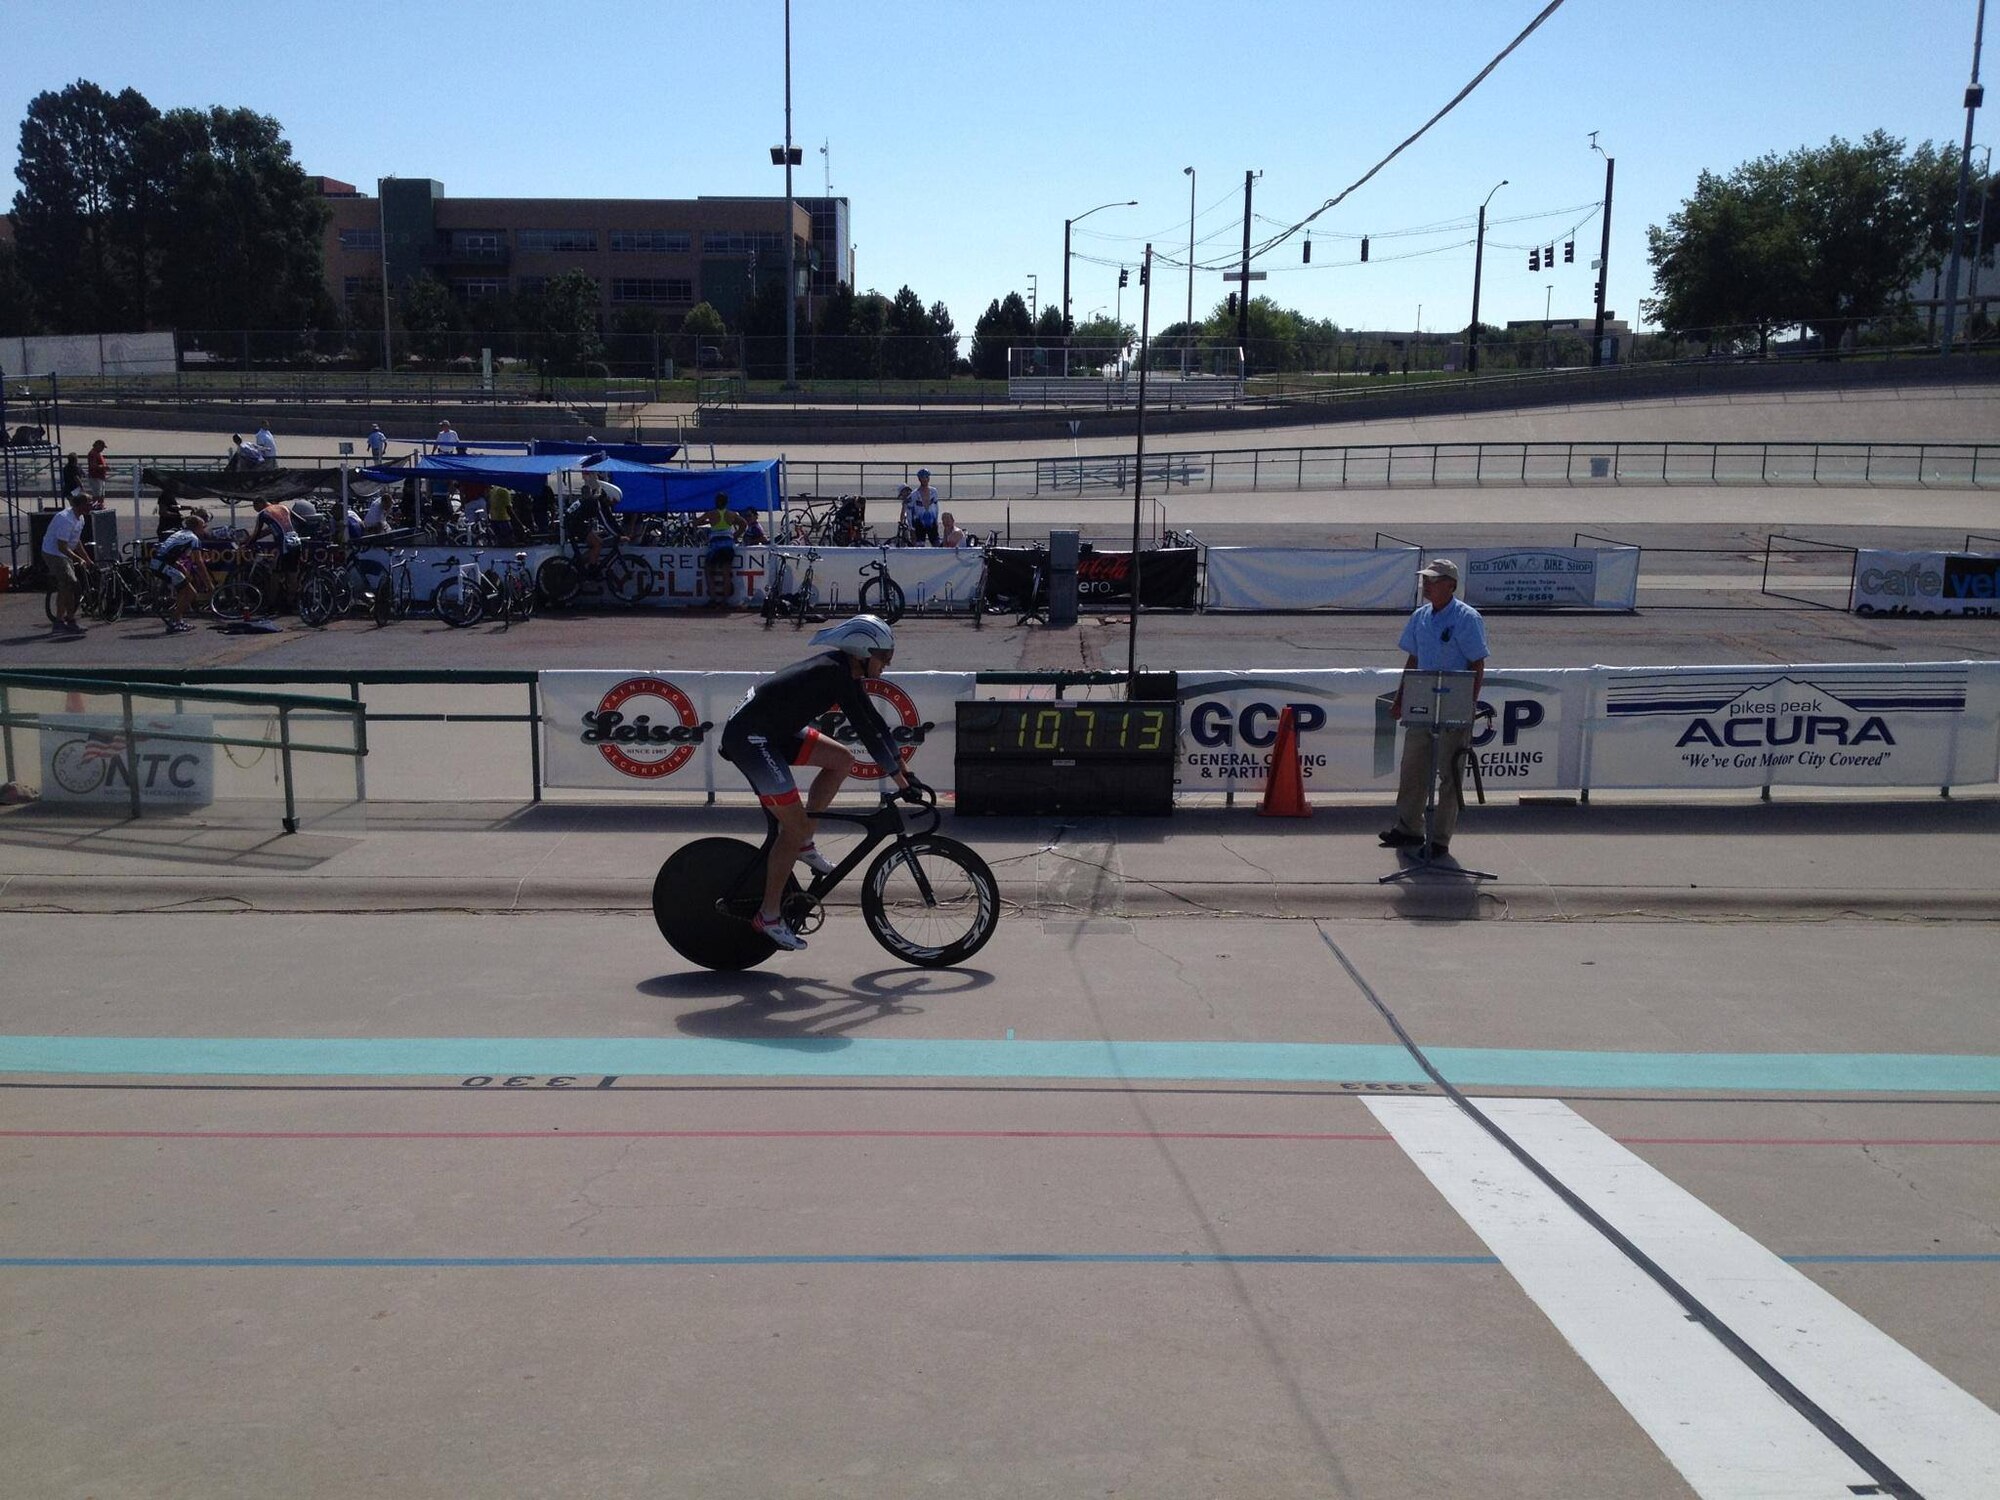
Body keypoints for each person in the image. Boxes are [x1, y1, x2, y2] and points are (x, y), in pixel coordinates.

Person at [718, 615, 919, 951]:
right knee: (792, 828)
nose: (887, 665)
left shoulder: (845, 671)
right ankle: (767, 916)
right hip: (750, 739)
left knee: (841, 760)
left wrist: (903, 771)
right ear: (861, 652)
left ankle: (804, 843)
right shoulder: (833, 672)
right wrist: (900, 781)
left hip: (771, 731)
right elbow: (867, 733)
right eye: (884, 657)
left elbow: (876, 723)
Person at [1379, 557, 1488, 859]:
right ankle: (1409, 827)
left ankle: (1440, 838)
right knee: (1412, 768)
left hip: (1453, 704)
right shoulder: (1420, 616)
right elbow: (1413, 660)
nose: (1427, 584)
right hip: (1421, 702)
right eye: (1426, 579)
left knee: (1449, 775)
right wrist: (1401, 698)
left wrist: (1469, 705)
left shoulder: (1467, 618)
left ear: (1450, 585)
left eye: (1433, 580)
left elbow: (1477, 663)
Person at [149, 509, 214, 633]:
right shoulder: (193, 538)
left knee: (183, 591)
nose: (204, 530)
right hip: (163, 566)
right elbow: (199, 563)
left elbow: (170, 551)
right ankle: (173, 622)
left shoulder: (180, 533)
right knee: (191, 593)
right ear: (196, 528)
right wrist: (209, 584)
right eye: (202, 527)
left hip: (158, 563)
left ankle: (178, 621)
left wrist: (180, 565)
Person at [42, 490, 94, 635]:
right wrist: (78, 559)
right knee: (70, 583)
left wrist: (88, 559)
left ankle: (64, 620)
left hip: (65, 552)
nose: (91, 506)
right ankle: (64, 622)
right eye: (89, 504)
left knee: (69, 586)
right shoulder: (66, 519)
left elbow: (76, 542)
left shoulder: (80, 518)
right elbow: (61, 547)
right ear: (81, 505)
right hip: (54, 553)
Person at [563, 469, 621, 572]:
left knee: (598, 542)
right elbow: (605, 522)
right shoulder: (597, 503)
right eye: (614, 502)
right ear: (609, 497)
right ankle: (591, 569)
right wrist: (618, 536)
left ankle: (580, 563)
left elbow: (610, 519)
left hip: (573, 521)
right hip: (574, 523)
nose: (613, 505)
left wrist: (620, 533)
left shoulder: (598, 500)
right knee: (597, 544)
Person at [703, 490, 740, 608]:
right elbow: (744, 524)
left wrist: (706, 521)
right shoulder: (731, 514)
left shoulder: (711, 513)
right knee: (726, 573)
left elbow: (695, 523)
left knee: (709, 570)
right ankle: (725, 601)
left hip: (715, 544)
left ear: (716, 502)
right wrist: (736, 536)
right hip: (728, 543)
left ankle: (713, 598)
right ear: (726, 502)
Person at [85, 439, 110, 505]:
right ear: (97, 446)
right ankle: (96, 507)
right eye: (102, 447)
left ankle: (100, 506)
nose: (102, 449)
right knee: (97, 495)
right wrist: (104, 467)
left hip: (100, 477)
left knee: (101, 495)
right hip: (95, 477)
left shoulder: (98, 453)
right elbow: (93, 466)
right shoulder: (93, 453)